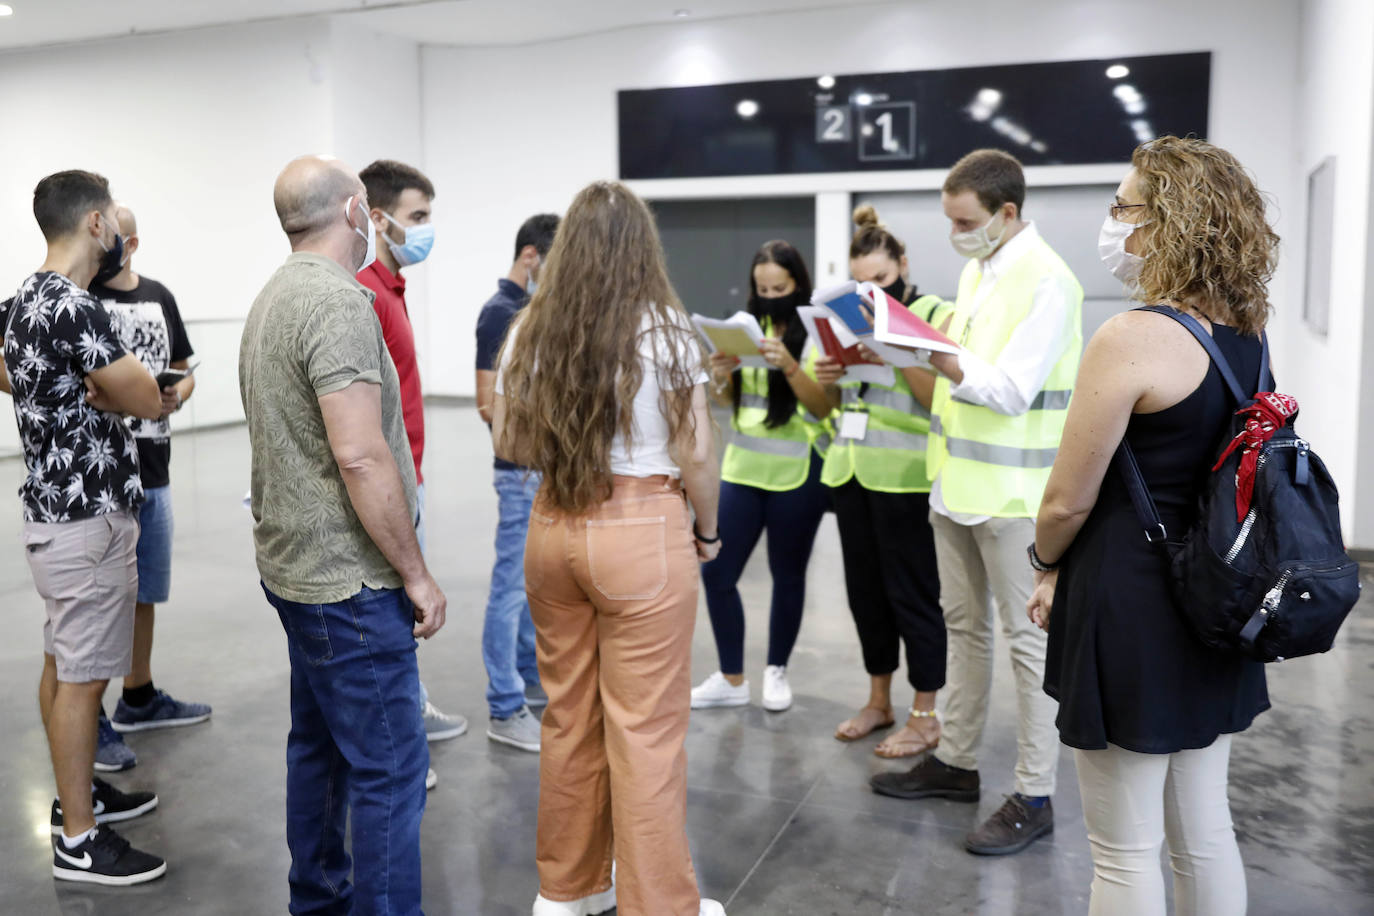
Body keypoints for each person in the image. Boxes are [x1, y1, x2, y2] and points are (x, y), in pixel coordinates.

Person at [1030, 136, 1273, 915]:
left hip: (1132, 600)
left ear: (1168, 222)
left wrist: (1043, 561)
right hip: (1216, 595)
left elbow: (1068, 499)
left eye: (1122, 207)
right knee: (1204, 831)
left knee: (1123, 850)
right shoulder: (1246, 331)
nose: (1112, 223)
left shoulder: (1131, 338)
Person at [493, 180, 726, 916]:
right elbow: (696, 455)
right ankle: (659, 906)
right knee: (647, 731)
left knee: (568, 716)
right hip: (643, 534)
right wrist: (709, 531)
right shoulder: (667, 330)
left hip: (554, 528)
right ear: (641, 250)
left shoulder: (532, 327)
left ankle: (567, 893)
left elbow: (509, 439)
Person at [240, 155, 446, 915]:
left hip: (295, 572)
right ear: (357, 211)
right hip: (349, 583)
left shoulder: (272, 296)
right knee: (390, 769)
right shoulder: (338, 303)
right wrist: (417, 575)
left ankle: (318, 901)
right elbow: (360, 453)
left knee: (320, 750)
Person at [869, 149, 1083, 858]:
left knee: (1028, 648)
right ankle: (956, 763)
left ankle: (1035, 792)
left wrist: (935, 356)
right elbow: (962, 368)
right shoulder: (977, 268)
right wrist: (914, 346)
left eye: (965, 220)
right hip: (957, 486)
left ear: (1007, 213)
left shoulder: (1049, 280)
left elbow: (1010, 388)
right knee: (963, 628)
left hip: (1017, 497)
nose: (955, 232)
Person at [2, 170, 166, 885]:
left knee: (61, 664)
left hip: (52, 511)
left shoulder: (23, 301)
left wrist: (78, 389)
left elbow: (22, 374)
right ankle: (78, 838)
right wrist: (102, 388)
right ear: (97, 223)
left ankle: (76, 796)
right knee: (82, 678)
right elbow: (150, 395)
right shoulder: (75, 307)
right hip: (87, 518)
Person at [821, 207, 954, 758]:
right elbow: (831, 402)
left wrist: (897, 352)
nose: (873, 291)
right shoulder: (843, 316)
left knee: (913, 594)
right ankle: (879, 701)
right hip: (851, 471)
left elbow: (938, 396)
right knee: (865, 595)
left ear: (902, 265)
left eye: (882, 279)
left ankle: (925, 713)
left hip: (905, 478)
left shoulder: (935, 314)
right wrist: (829, 373)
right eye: (862, 284)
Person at [88, 204, 210, 773]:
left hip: (154, 470)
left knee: (144, 592)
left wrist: (176, 395)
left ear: (131, 243)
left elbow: (184, 368)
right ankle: (91, 716)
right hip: (102, 475)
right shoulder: (79, 300)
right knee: (102, 598)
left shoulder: (159, 296)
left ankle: (138, 695)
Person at [691, 239, 832, 713]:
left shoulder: (815, 332)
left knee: (786, 575)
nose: (770, 295)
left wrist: (789, 365)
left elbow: (824, 405)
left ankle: (777, 670)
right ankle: (732, 678)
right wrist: (720, 376)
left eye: (780, 287)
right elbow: (732, 404)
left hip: (798, 470)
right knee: (717, 572)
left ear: (798, 283)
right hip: (744, 470)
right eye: (762, 288)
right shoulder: (744, 328)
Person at [357, 158, 468, 754]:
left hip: (412, 472)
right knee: (391, 614)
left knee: (400, 616)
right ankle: (395, 743)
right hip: (394, 480)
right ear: (378, 218)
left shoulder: (393, 288)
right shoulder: (366, 293)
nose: (426, 229)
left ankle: (407, 715)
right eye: (416, 217)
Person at [474, 212, 560, 752]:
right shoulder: (500, 314)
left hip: (545, 470)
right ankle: (504, 706)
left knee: (532, 587)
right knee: (509, 590)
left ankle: (529, 682)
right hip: (519, 473)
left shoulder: (536, 312)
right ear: (532, 256)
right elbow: (489, 405)